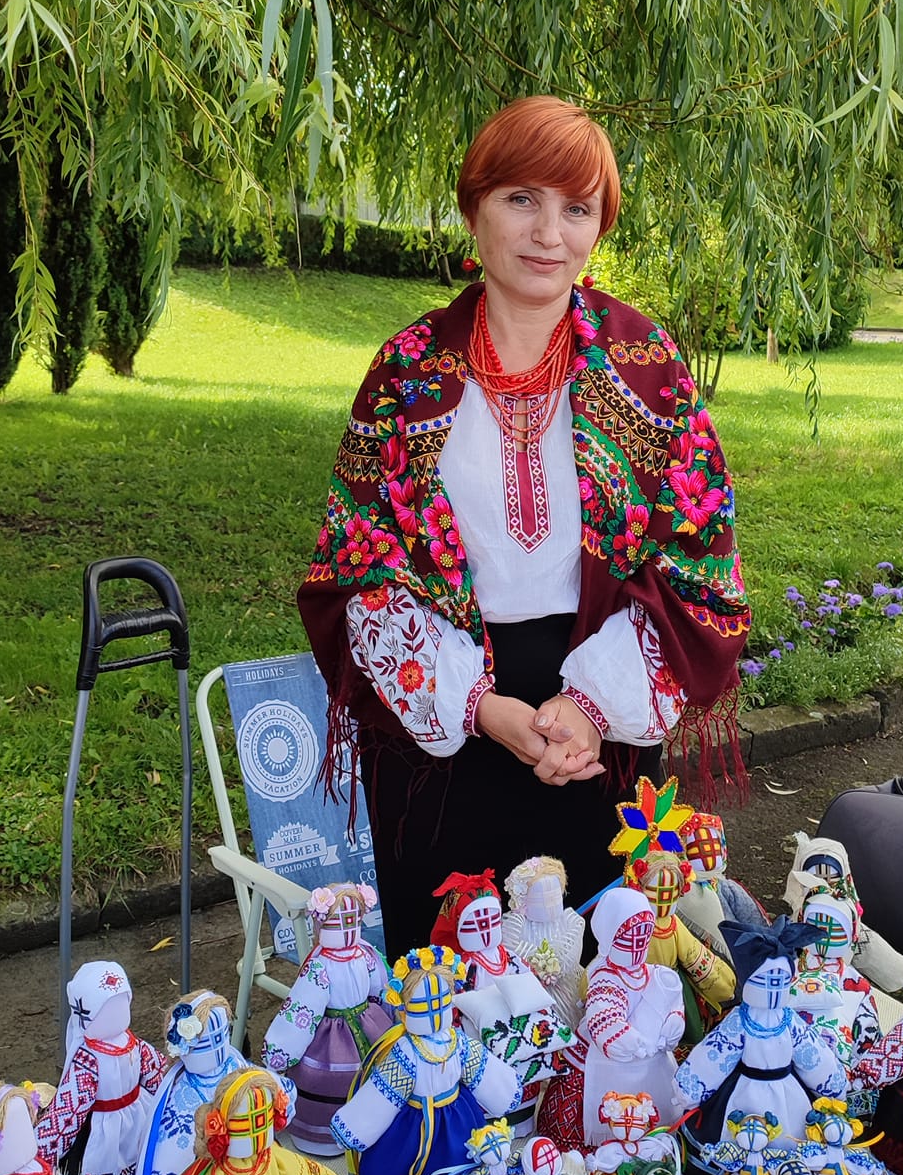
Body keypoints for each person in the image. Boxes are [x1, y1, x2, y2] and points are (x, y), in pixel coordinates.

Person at [298, 96, 751, 953]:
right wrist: (480, 708)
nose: (549, 234)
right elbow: (360, 570)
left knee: (608, 973)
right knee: (447, 986)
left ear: (599, 227)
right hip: (440, 736)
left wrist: (587, 705)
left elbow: (699, 567)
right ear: (474, 209)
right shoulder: (406, 373)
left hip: (599, 733)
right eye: (521, 200)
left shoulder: (646, 367)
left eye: (577, 209)